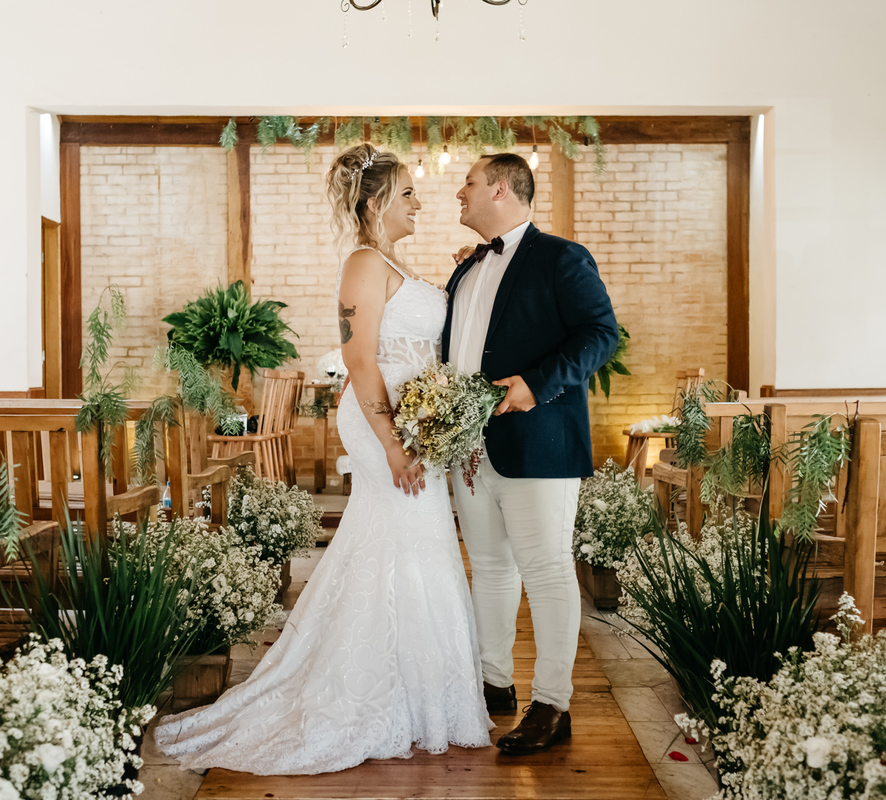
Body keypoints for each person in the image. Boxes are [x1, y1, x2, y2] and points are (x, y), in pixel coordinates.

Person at [154, 144, 492, 775]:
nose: (420, 202)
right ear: (375, 202)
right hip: (383, 421)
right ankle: (372, 690)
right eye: (408, 193)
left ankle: (418, 692)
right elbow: (363, 361)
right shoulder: (362, 264)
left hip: (416, 417)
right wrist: (394, 443)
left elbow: (417, 340)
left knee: (414, 542)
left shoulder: (392, 260)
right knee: (403, 537)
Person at [444, 153, 618, 755]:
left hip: (539, 441)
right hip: (469, 449)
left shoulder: (560, 257)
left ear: (499, 188)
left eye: (467, 184)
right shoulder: (466, 271)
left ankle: (553, 704)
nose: (457, 194)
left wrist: (534, 385)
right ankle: (493, 685)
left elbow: (600, 333)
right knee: (489, 568)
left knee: (545, 570)